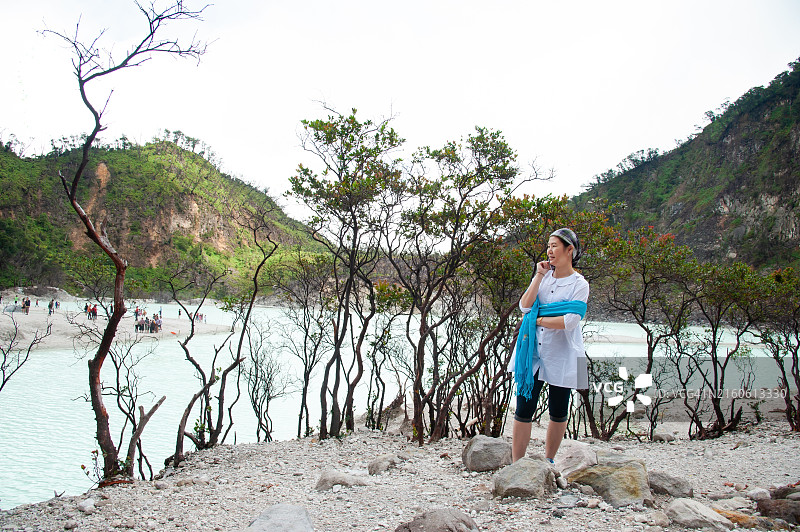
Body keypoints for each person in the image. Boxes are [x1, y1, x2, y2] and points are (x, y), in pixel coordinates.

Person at [510, 228, 589, 465]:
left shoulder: (580, 284)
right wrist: (538, 276)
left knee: (558, 408)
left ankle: (549, 460)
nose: (549, 250)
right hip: (533, 352)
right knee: (524, 407)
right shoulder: (544, 280)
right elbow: (525, 307)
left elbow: (570, 321)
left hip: (563, 353)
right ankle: (517, 463)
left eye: (555, 245)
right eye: (548, 245)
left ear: (569, 250)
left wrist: (537, 319)